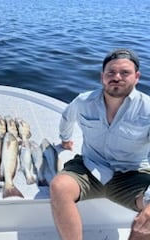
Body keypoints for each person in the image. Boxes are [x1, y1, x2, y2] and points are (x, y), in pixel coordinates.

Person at [50, 48, 150, 240]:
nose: (117, 77)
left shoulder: (148, 109)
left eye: (125, 73)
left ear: (137, 77)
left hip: (132, 175)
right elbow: (66, 117)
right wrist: (65, 138)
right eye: (110, 72)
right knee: (59, 186)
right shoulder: (83, 101)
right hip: (89, 169)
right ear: (102, 77)